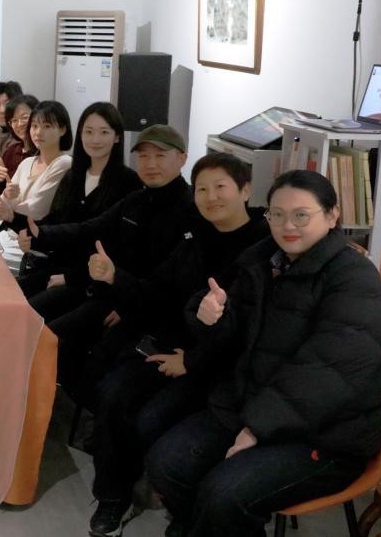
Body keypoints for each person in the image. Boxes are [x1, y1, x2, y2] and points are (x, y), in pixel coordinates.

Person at [146, 169, 381, 537]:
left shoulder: (354, 279)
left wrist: (256, 429)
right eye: (276, 214)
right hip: (253, 405)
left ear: (331, 216)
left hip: (328, 435)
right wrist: (211, 315)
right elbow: (225, 316)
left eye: (301, 215)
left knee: (225, 493)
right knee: (166, 464)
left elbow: (327, 374)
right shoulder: (264, 260)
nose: (287, 225)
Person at [85, 153, 269, 537]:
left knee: (151, 419)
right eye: (202, 189)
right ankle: (113, 495)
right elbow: (158, 290)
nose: (211, 197)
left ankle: (180, 501)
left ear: (245, 190)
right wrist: (115, 277)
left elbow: (251, 329)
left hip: (222, 365)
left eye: (221, 187)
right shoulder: (194, 235)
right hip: (175, 347)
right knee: (112, 393)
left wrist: (193, 360)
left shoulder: (263, 246)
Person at [19, 124, 195, 403]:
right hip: (109, 292)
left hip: (142, 309)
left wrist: (127, 305)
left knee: (58, 344)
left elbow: (170, 285)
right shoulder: (136, 200)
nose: (150, 164)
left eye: (160, 156)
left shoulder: (190, 211)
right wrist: (42, 235)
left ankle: (69, 410)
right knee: (36, 326)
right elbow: (90, 229)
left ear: (182, 158)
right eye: (144, 156)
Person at [17, 102, 141, 297]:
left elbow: (114, 244)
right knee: (5, 294)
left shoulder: (128, 182)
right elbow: (56, 219)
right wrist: (32, 238)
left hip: (91, 281)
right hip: (56, 267)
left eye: (104, 132)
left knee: (27, 308)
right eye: (88, 132)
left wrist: (70, 277)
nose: (95, 139)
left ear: (117, 137)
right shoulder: (73, 175)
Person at [0, 100, 72, 231]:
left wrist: (8, 210)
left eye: (47, 126)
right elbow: (0, 207)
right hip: (9, 230)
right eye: (34, 126)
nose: (38, 132)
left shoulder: (64, 163)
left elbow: (37, 210)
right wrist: (8, 196)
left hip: (32, 236)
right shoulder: (26, 163)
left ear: (62, 129)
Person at [0, 94, 39, 199]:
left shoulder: (43, 153)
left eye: (24, 118)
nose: (19, 124)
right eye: (14, 120)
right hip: (1, 206)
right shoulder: (11, 151)